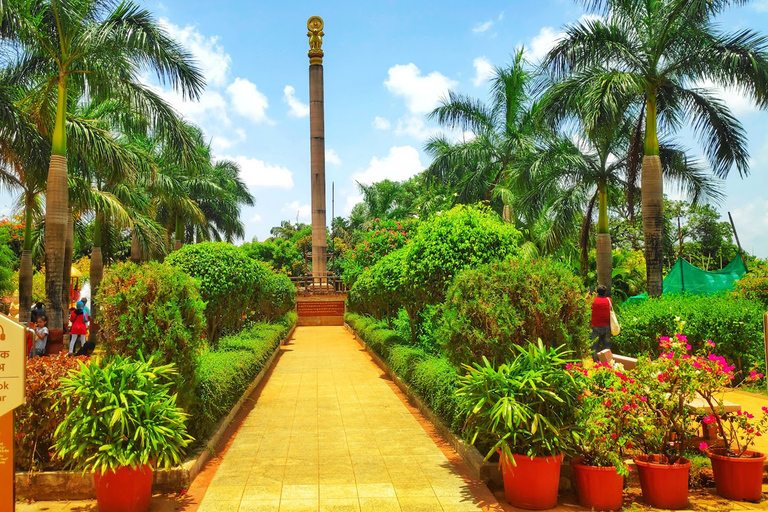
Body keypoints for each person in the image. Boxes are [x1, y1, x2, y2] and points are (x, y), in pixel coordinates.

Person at [590, 285, 612, 361]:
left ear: (597, 292)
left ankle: (596, 363)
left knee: (594, 346)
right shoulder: (609, 300)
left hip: (595, 326)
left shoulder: (593, 300)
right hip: (606, 326)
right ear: (605, 292)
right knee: (607, 346)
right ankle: (607, 362)